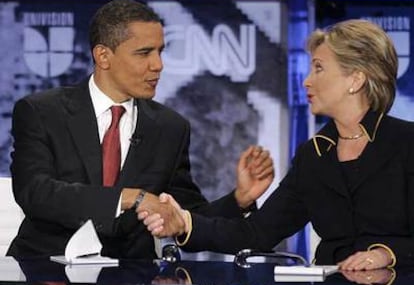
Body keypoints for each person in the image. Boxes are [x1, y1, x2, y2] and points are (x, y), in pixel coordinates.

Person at [7, 0, 274, 259]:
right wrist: (128, 198)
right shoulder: (42, 112)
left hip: (129, 277)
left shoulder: (170, 128)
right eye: (144, 53)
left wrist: (239, 199)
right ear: (103, 56)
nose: (158, 65)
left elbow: (185, 214)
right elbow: (35, 192)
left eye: (160, 51)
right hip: (44, 272)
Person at [141, 19, 414, 270]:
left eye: (319, 68)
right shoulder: (314, 155)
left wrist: (386, 254)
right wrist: (185, 223)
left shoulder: (406, 143)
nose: (307, 80)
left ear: (355, 79)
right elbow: (257, 234)